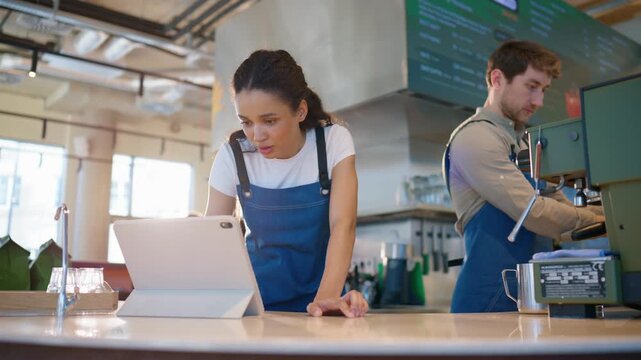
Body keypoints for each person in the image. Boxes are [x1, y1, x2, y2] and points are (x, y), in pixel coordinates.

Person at [443, 40, 604, 313]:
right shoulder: (475, 138)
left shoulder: (524, 144)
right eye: (531, 87)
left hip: (530, 297)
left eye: (543, 90)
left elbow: (562, 214)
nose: (539, 101)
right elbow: (535, 212)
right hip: (485, 304)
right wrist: (609, 218)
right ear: (497, 79)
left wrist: (604, 215)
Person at [206, 49, 368, 317]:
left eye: (269, 121)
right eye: (246, 122)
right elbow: (211, 238)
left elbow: (343, 225)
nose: (256, 136)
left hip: (317, 302)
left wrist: (325, 300)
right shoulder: (232, 155)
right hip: (251, 305)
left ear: (300, 111)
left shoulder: (333, 142)